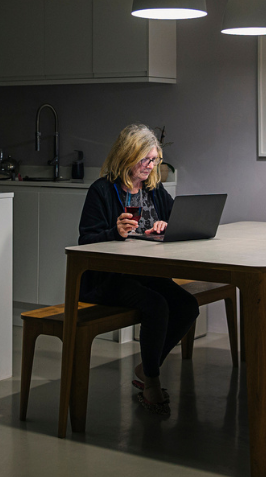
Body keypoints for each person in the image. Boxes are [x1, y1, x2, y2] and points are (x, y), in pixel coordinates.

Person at [77, 123, 199, 414]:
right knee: (156, 305)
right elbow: (85, 240)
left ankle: (147, 366)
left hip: (147, 274)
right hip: (110, 279)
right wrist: (114, 232)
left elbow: (177, 222)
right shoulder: (102, 190)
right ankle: (153, 382)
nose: (150, 165)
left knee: (187, 305)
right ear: (127, 155)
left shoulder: (155, 191)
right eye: (145, 159)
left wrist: (166, 226)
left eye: (154, 160)